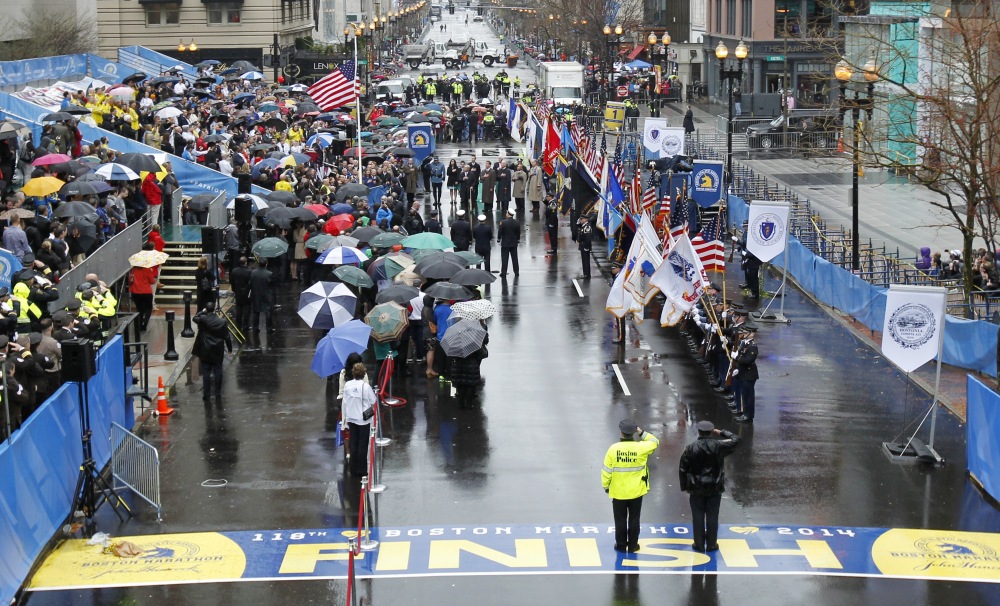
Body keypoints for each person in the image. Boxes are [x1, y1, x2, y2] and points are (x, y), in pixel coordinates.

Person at [679, 420, 741, 552]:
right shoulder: (719, 446)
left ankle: (699, 544)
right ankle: (712, 543)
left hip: (696, 488)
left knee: (697, 516)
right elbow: (736, 439)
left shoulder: (690, 448)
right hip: (715, 487)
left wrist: (684, 486)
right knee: (713, 516)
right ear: (711, 432)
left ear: (699, 432)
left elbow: (683, 468)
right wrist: (722, 432)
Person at [601, 418, 660, 553]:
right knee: (634, 519)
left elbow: (606, 470)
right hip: (636, 491)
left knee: (620, 520)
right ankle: (633, 545)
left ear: (621, 432)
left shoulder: (613, 449)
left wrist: (606, 486)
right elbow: (655, 441)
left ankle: (621, 545)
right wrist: (640, 431)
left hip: (618, 491)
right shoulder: (641, 448)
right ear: (633, 432)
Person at [192, 301, 233, 401]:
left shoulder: (202, 319)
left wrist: (202, 312)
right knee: (218, 370)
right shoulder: (222, 322)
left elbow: (194, 318)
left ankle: (207, 394)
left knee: (206, 372)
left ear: (206, 309)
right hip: (217, 349)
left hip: (205, 349)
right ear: (214, 309)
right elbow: (226, 336)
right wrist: (230, 348)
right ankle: (218, 393)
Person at [342, 361, 376, 477]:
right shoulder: (366, 387)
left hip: (351, 418)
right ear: (363, 373)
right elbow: (373, 401)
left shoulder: (347, 385)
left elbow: (345, 402)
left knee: (353, 443)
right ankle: (362, 470)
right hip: (363, 419)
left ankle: (353, 467)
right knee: (363, 444)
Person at [129, 243, 160, 332]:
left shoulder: (134, 270)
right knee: (148, 308)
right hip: (146, 292)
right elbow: (152, 281)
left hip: (135, 292)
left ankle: (139, 323)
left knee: (139, 309)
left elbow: (130, 280)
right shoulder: (147, 269)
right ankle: (144, 324)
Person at [732, 323, 759, 423]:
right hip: (743, 372)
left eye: (746, 332)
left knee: (748, 396)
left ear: (752, 334)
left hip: (749, 374)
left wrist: (737, 357)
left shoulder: (752, 346)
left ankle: (748, 416)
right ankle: (744, 413)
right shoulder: (744, 343)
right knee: (744, 394)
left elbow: (748, 360)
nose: (744, 333)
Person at [250, 260, 276, 333]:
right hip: (267, 295)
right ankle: (269, 328)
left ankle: (255, 329)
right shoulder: (269, 274)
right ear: (266, 264)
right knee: (268, 312)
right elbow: (273, 284)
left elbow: (250, 283)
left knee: (256, 312)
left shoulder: (253, 272)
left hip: (256, 295)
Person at [229, 256, 253, 334]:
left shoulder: (234, 271)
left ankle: (238, 325)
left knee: (238, 309)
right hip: (246, 293)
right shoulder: (249, 271)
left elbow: (231, 281)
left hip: (238, 292)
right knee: (246, 310)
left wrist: (234, 290)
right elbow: (251, 283)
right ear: (245, 262)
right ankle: (245, 325)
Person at [497, 210, 520, 277]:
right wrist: (518, 239)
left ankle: (503, 272)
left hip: (505, 243)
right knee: (515, 258)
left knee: (504, 258)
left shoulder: (503, 222)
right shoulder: (517, 222)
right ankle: (516, 272)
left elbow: (500, 231)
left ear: (508, 214)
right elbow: (518, 232)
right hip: (513, 243)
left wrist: (499, 239)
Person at [576, 214, 593, 279]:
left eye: (582, 219)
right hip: (582, 245)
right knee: (584, 260)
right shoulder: (583, 226)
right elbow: (578, 228)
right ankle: (585, 273)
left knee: (586, 260)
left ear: (585, 219)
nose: (580, 220)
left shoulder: (587, 227)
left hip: (585, 246)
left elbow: (588, 238)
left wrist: (587, 247)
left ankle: (587, 274)